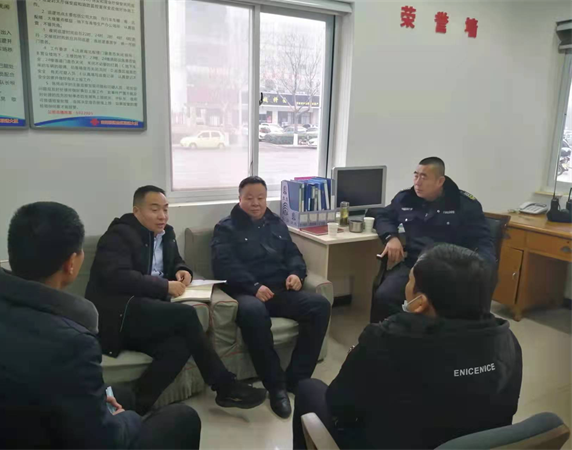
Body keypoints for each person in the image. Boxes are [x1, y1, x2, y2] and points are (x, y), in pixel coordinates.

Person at [0, 202, 201, 450]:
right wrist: (128, 419)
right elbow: (105, 441)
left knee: (123, 395)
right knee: (183, 418)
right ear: (71, 264)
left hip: (0, 430)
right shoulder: (73, 341)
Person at [293, 243, 522, 450]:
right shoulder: (508, 341)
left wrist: (358, 358)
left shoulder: (384, 341)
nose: (406, 285)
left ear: (420, 303)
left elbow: (339, 405)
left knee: (307, 389)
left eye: (410, 280)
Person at [85, 186, 265, 415]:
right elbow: (117, 277)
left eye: (165, 209)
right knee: (186, 315)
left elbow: (177, 261)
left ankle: (134, 407)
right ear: (137, 211)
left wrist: (182, 271)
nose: (162, 216)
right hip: (119, 314)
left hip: (147, 314)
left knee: (179, 346)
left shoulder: (166, 234)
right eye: (154, 210)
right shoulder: (118, 236)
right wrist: (164, 286)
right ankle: (225, 386)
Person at [211, 176, 331, 419]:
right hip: (246, 292)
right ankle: (275, 386)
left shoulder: (276, 223)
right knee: (254, 312)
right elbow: (224, 266)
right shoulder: (226, 228)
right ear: (239, 198)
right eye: (249, 198)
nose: (256, 203)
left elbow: (293, 254)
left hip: (279, 290)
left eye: (261, 198)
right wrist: (254, 286)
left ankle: (297, 378)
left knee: (319, 305)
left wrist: (296, 274)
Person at [372, 156, 495, 322]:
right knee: (384, 296)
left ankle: (429, 334)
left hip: (450, 270)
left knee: (442, 308)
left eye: (424, 177)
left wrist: (481, 271)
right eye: (416, 175)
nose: (417, 182)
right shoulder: (406, 199)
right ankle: (396, 333)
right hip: (414, 265)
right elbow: (383, 216)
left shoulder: (464, 204)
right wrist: (391, 237)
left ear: (440, 181)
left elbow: (483, 240)